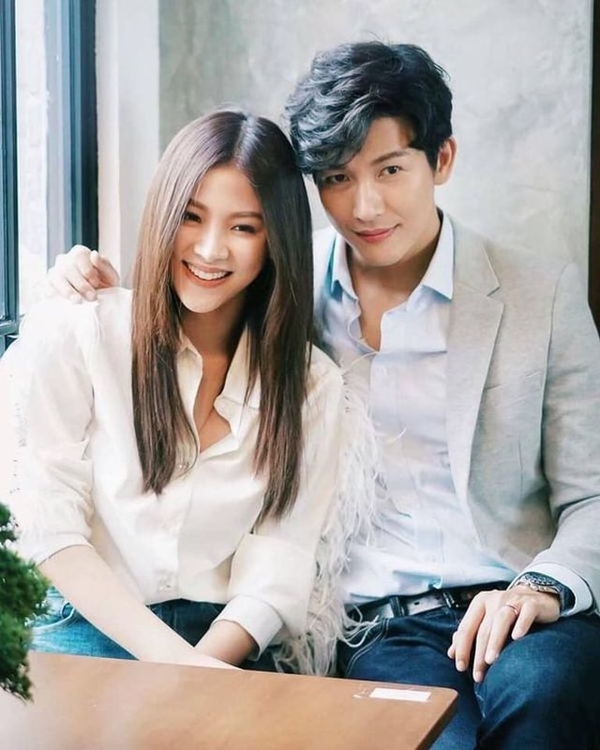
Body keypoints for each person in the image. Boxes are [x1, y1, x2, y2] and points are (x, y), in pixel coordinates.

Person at [43, 42, 600, 748]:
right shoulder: (279, 295)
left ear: (442, 160)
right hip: (380, 628)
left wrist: (542, 588)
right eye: (337, 178)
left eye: (390, 170)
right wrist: (80, 281)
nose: (364, 206)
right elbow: (183, 304)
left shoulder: (539, 295)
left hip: (515, 602)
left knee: (544, 698)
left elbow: (592, 495)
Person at [0, 109, 360, 675]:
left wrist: (200, 672)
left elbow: (280, 560)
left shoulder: (311, 384)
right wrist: (176, 667)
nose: (211, 250)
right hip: (83, 622)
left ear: (276, 241)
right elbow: (45, 525)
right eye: (192, 217)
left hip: (220, 644)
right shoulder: (82, 329)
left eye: (244, 228)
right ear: (163, 213)